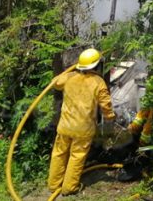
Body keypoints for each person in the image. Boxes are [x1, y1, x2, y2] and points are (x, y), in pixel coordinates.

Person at [47, 48, 115, 196]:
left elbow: (55, 83)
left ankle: (53, 185)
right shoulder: (99, 82)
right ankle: (69, 188)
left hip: (64, 126)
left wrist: (68, 72)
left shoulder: (69, 77)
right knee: (77, 156)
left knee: (58, 153)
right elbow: (106, 106)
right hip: (83, 129)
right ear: (97, 65)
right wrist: (110, 118)